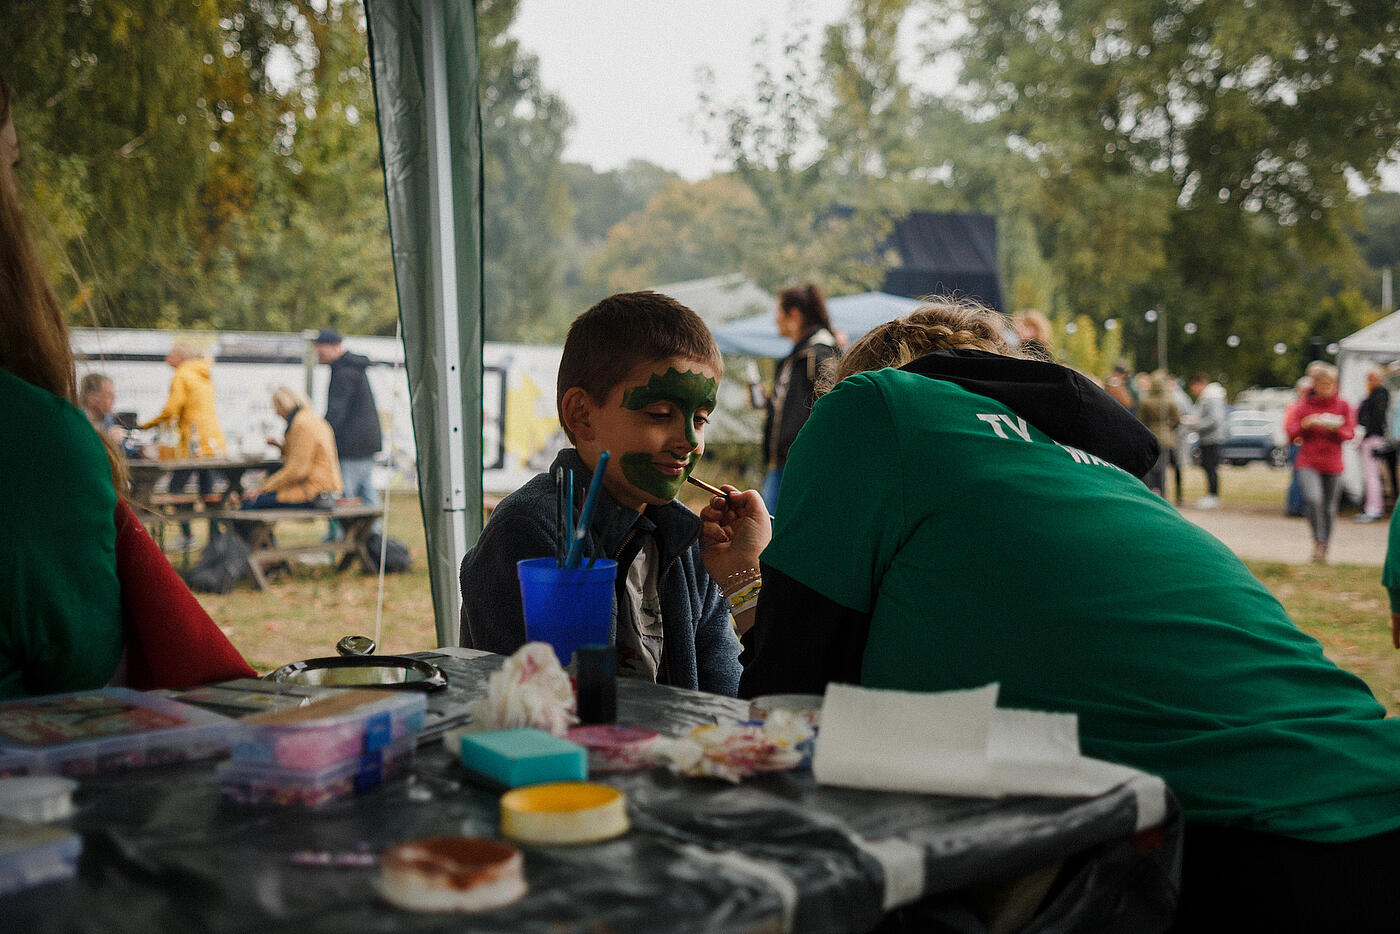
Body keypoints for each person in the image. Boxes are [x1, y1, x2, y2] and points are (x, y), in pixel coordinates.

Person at [738, 298, 1400, 933]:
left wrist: (746, 586)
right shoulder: (1094, 468)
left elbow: (789, 715)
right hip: (1364, 784)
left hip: (1237, 850)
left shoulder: (875, 405)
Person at [0, 75, 252, 697]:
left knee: (194, 501)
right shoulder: (36, 438)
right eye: (12, 161)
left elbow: (172, 413)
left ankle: (200, 546)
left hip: (195, 444)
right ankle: (201, 544)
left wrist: (153, 428)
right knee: (196, 501)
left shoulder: (180, 381)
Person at [459, 291, 769, 695]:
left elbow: (732, 701)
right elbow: (544, 714)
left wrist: (744, 579)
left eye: (700, 418)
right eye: (660, 415)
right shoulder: (531, 531)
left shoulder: (689, 546)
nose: (689, 440)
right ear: (582, 415)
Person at [760, 284, 840, 514]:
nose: (776, 321)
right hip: (784, 464)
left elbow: (832, 407)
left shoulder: (821, 354)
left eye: (778, 313)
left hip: (802, 466)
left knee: (776, 532)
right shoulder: (797, 356)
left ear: (793, 314)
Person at [140, 340, 227, 548]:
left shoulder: (182, 374)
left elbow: (172, 409)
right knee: (209, 493)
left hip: (193, 445)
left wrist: (146, 425)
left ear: (181, 355)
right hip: (212, 443)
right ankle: (216, 540)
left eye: (170, 354)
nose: (167, 358)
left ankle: (188, 535)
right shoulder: (203, 374)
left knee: (175, 488)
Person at [1285, 361, 1356, 563]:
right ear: (1314, 386)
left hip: (1333, 462)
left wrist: (1336, 428)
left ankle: (1324, 545)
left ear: (1335, 385)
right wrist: (1306, 425)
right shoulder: (1304, 406)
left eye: (1329, 385)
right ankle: (1318, 540)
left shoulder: (1343, 406)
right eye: (1322, 385)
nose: (1326, 389)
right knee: (1313, 499)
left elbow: (1349, 433)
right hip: (1308, 460)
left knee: (1329, 507)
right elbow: (1291, 433)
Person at [314, 327, 382, 523]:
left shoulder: (344, 372)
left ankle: (347, 537)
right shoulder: (352, 368)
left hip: (352, 445)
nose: (318, 355)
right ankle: (373, 536)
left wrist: (322, 434)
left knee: (344, 495)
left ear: (335, 347)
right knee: (367, 492)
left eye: (321, 351)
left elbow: (337, 411)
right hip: (366, 442)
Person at [240, 387, 343, 509]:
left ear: (283, 404)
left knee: (249, 503)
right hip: (325, 488)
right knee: (258, 499)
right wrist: (281, 447)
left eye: (275, 407)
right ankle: (263, 528)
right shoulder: (312, 419)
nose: (276, 413)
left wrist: (263, 488)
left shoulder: (302, 424)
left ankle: (258, 528)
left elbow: (298, 470)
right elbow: (305, 455)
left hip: (315, 491)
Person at [1134, 370, 1179, 497]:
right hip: (1167, 437)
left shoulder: (1145, 401)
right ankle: (1163, 493)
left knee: (1152, 468)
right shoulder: (1169, 400)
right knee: (1163, 469)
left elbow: (1141, 420)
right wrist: (1169, 427)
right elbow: (1177, 419)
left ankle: (1152, 492)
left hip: (1151, 436)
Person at [1355, 366, 1390, 523]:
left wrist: (1366, 432)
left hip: (1372, 438)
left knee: (1372, 476)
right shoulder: (1373, 394)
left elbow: (1376, 419)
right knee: (1370, 476)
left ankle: (1374, 508)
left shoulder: (1380, 395)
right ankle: (1371, 506)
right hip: (1368, 438)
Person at [1186, 372, 1226, 509]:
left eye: (1194, 387)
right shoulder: (1208, 397)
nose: (1194, 391)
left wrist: (1196, 424)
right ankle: (1211, 494)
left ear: (1200, 384)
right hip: (1208, 437)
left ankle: (1213, 495)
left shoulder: (1211, 398)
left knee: (1210, 467)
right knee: (1207, 466)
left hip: (1211, 438)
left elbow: (1214, 419)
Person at [1283, 375, 1312, 518]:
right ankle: (1294, 506)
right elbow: (1288, 427)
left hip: (1305, 445)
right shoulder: (1295, 407)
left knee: (1303, 478)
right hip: (1297, 444)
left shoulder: (1307, 407)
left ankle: (1301, 506)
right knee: (1297, 477)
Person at [78, 371, 127, 448]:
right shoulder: (78, 421)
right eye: (108, 395)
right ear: (91, 398)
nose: (113, 399)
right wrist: (107, 441)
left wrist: (138, 451)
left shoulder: (108, 419)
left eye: (113, 395)